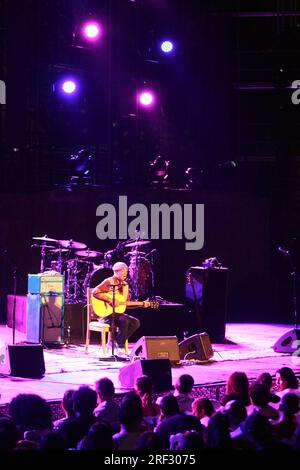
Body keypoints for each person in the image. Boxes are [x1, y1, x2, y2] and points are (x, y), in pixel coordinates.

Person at [92, 262, 140, 356]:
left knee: (135, 322)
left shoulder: (125, 285)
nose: (125, 273)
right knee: (124, 320)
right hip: (105, 314)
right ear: (116, 272)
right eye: (123, 271)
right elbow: (95, 292)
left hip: (117, 314)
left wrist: (142, 304)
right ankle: (120, 347)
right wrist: (109, 299)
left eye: (126, 271)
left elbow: (125, 303)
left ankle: (116, 343)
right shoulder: (109, 282)